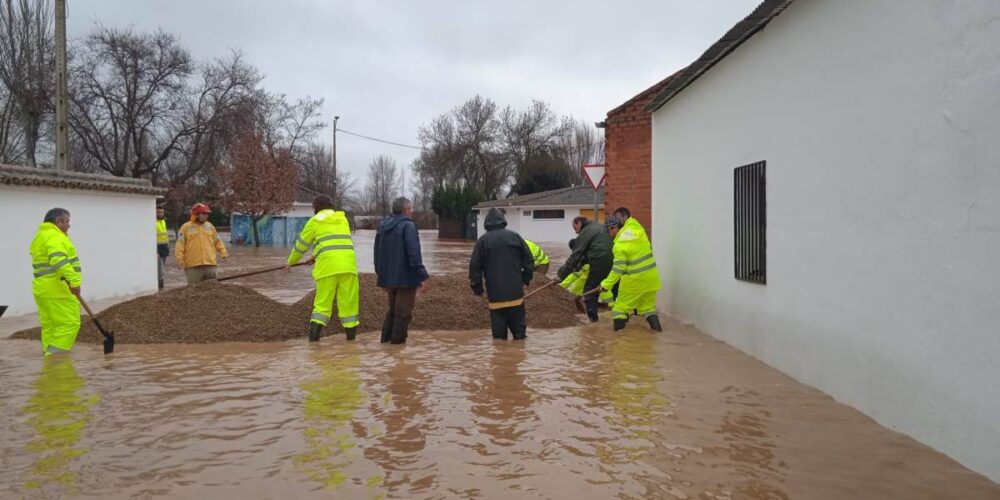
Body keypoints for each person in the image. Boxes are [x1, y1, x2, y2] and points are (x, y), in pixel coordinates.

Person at [285, 195, 360, 342]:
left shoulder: (315, 221)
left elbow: (301, 246)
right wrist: (314, 256)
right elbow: (335, 243)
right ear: (331, 206)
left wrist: (290, 262)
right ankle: (351, 344)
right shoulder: (342, 219)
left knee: (322, 308)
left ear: (315, 208)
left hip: (327, 269)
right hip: (349, 267)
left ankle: (313, 345)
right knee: (349, 308)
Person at [469, 208, 534, 340]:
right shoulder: (515, 236)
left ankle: (501, 358)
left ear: (486, 223)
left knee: (499, 339)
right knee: (520, 336)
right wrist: (525, 279)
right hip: (516, 294)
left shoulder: (482, 241)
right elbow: (529, 260)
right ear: (503, 221)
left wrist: (477, 288)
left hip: (495, 296)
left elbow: (475, 267)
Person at [374, 197, 430, 345]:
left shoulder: (383, 226)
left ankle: (385, 343)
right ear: (406, 210)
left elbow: (376, 254)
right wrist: (422, 276)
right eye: (411, 209)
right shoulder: (408, 226)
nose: (411, 212)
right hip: (406, 278)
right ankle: (397, 348)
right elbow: (413, 253)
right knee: (403, 314)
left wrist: (380, 274)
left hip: (388, 278)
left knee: (393, 311)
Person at [29, 208, 83, 355]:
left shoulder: (40, 236)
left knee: (51, 327)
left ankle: (48, 361)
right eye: (67, 221)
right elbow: (59, 260)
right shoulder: (55, 237)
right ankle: (55, 362)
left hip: (42, 290)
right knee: (69, 324)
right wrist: (75, 281)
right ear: (58, 222)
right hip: (58, 289)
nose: (69, 225)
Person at [601, 216, 663, 332]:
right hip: (652, 278)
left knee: (619, 309)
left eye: (608, 231)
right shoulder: (638, 230)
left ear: (614, 228)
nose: (609, 235)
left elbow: (618, 269)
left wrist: (606, 284)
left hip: (635, 281)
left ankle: (619, 341)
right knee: (648, 309)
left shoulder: (619, 246)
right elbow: (632, 221)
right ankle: (658, 334)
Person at [556, 216, 614, 322]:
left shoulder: (586, 232)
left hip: (600, 260)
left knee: (590, 290)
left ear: (579, 223)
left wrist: (560, 275)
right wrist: (578, 266)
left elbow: (576, 255)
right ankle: (622, 316)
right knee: (611, 286)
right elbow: (587, 255)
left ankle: (593, 322)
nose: (575, 232)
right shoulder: (597, 227)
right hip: (614, 259)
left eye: (575, 228)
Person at [176, 203, 228, 285]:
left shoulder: (210, 226)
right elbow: (180, 245)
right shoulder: (185, 227)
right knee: (194, 290)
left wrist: (223, 253)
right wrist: (180, 259)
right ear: (196, 214)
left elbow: (218, 241)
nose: (206, 215)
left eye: (207, 214)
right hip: (193, 266)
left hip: (210, 264)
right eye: (204, 213)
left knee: (212, 290)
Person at [156, 204, 169, 290]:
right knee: (160, 268)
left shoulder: (164, 221)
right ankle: (160, 284)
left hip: (164, 247)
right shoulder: (152, 222)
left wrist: (168, 246)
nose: (160, 213)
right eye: (158, 212)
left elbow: (165, 235)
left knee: (163, 266)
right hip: (157, 248)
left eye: (162, 212)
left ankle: (161, 284)